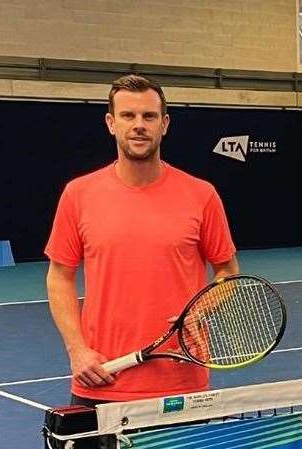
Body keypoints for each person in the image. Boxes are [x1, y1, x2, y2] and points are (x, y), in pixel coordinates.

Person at [45, 74, 239, 405]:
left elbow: (228, 273)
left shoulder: (202, 195)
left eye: (149, 116)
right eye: (128, 116)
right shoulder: (78, 194)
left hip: (181, 384)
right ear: (111, 123)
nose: (139, 125)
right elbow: (59, 278)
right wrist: (77, 350)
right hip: (101, 379)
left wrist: (199, 311)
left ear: (164, 124)